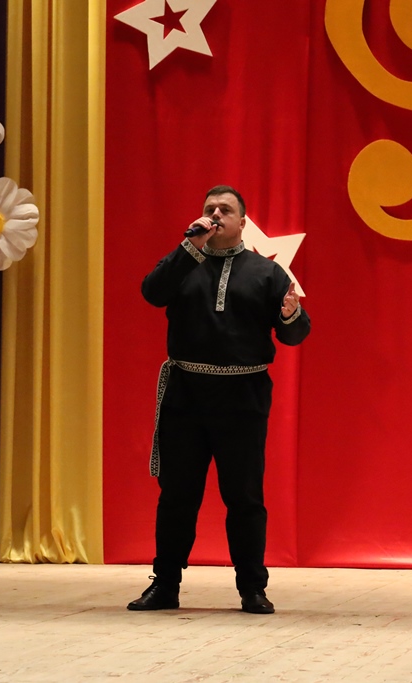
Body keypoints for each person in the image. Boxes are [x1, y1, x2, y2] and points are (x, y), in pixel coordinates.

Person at [128, 185, 310, 615]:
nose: (215, 214)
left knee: (244, 497)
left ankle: (252, 588)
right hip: (186, 396)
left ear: (242, 222)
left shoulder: (267, 273)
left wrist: (290, 314)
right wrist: (189, 247)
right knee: (177, 494)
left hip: (242, 398)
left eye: (225, 210)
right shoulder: (183, 263)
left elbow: (294, 335)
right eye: (209, 208)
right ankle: (165, 584)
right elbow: (151, 292)